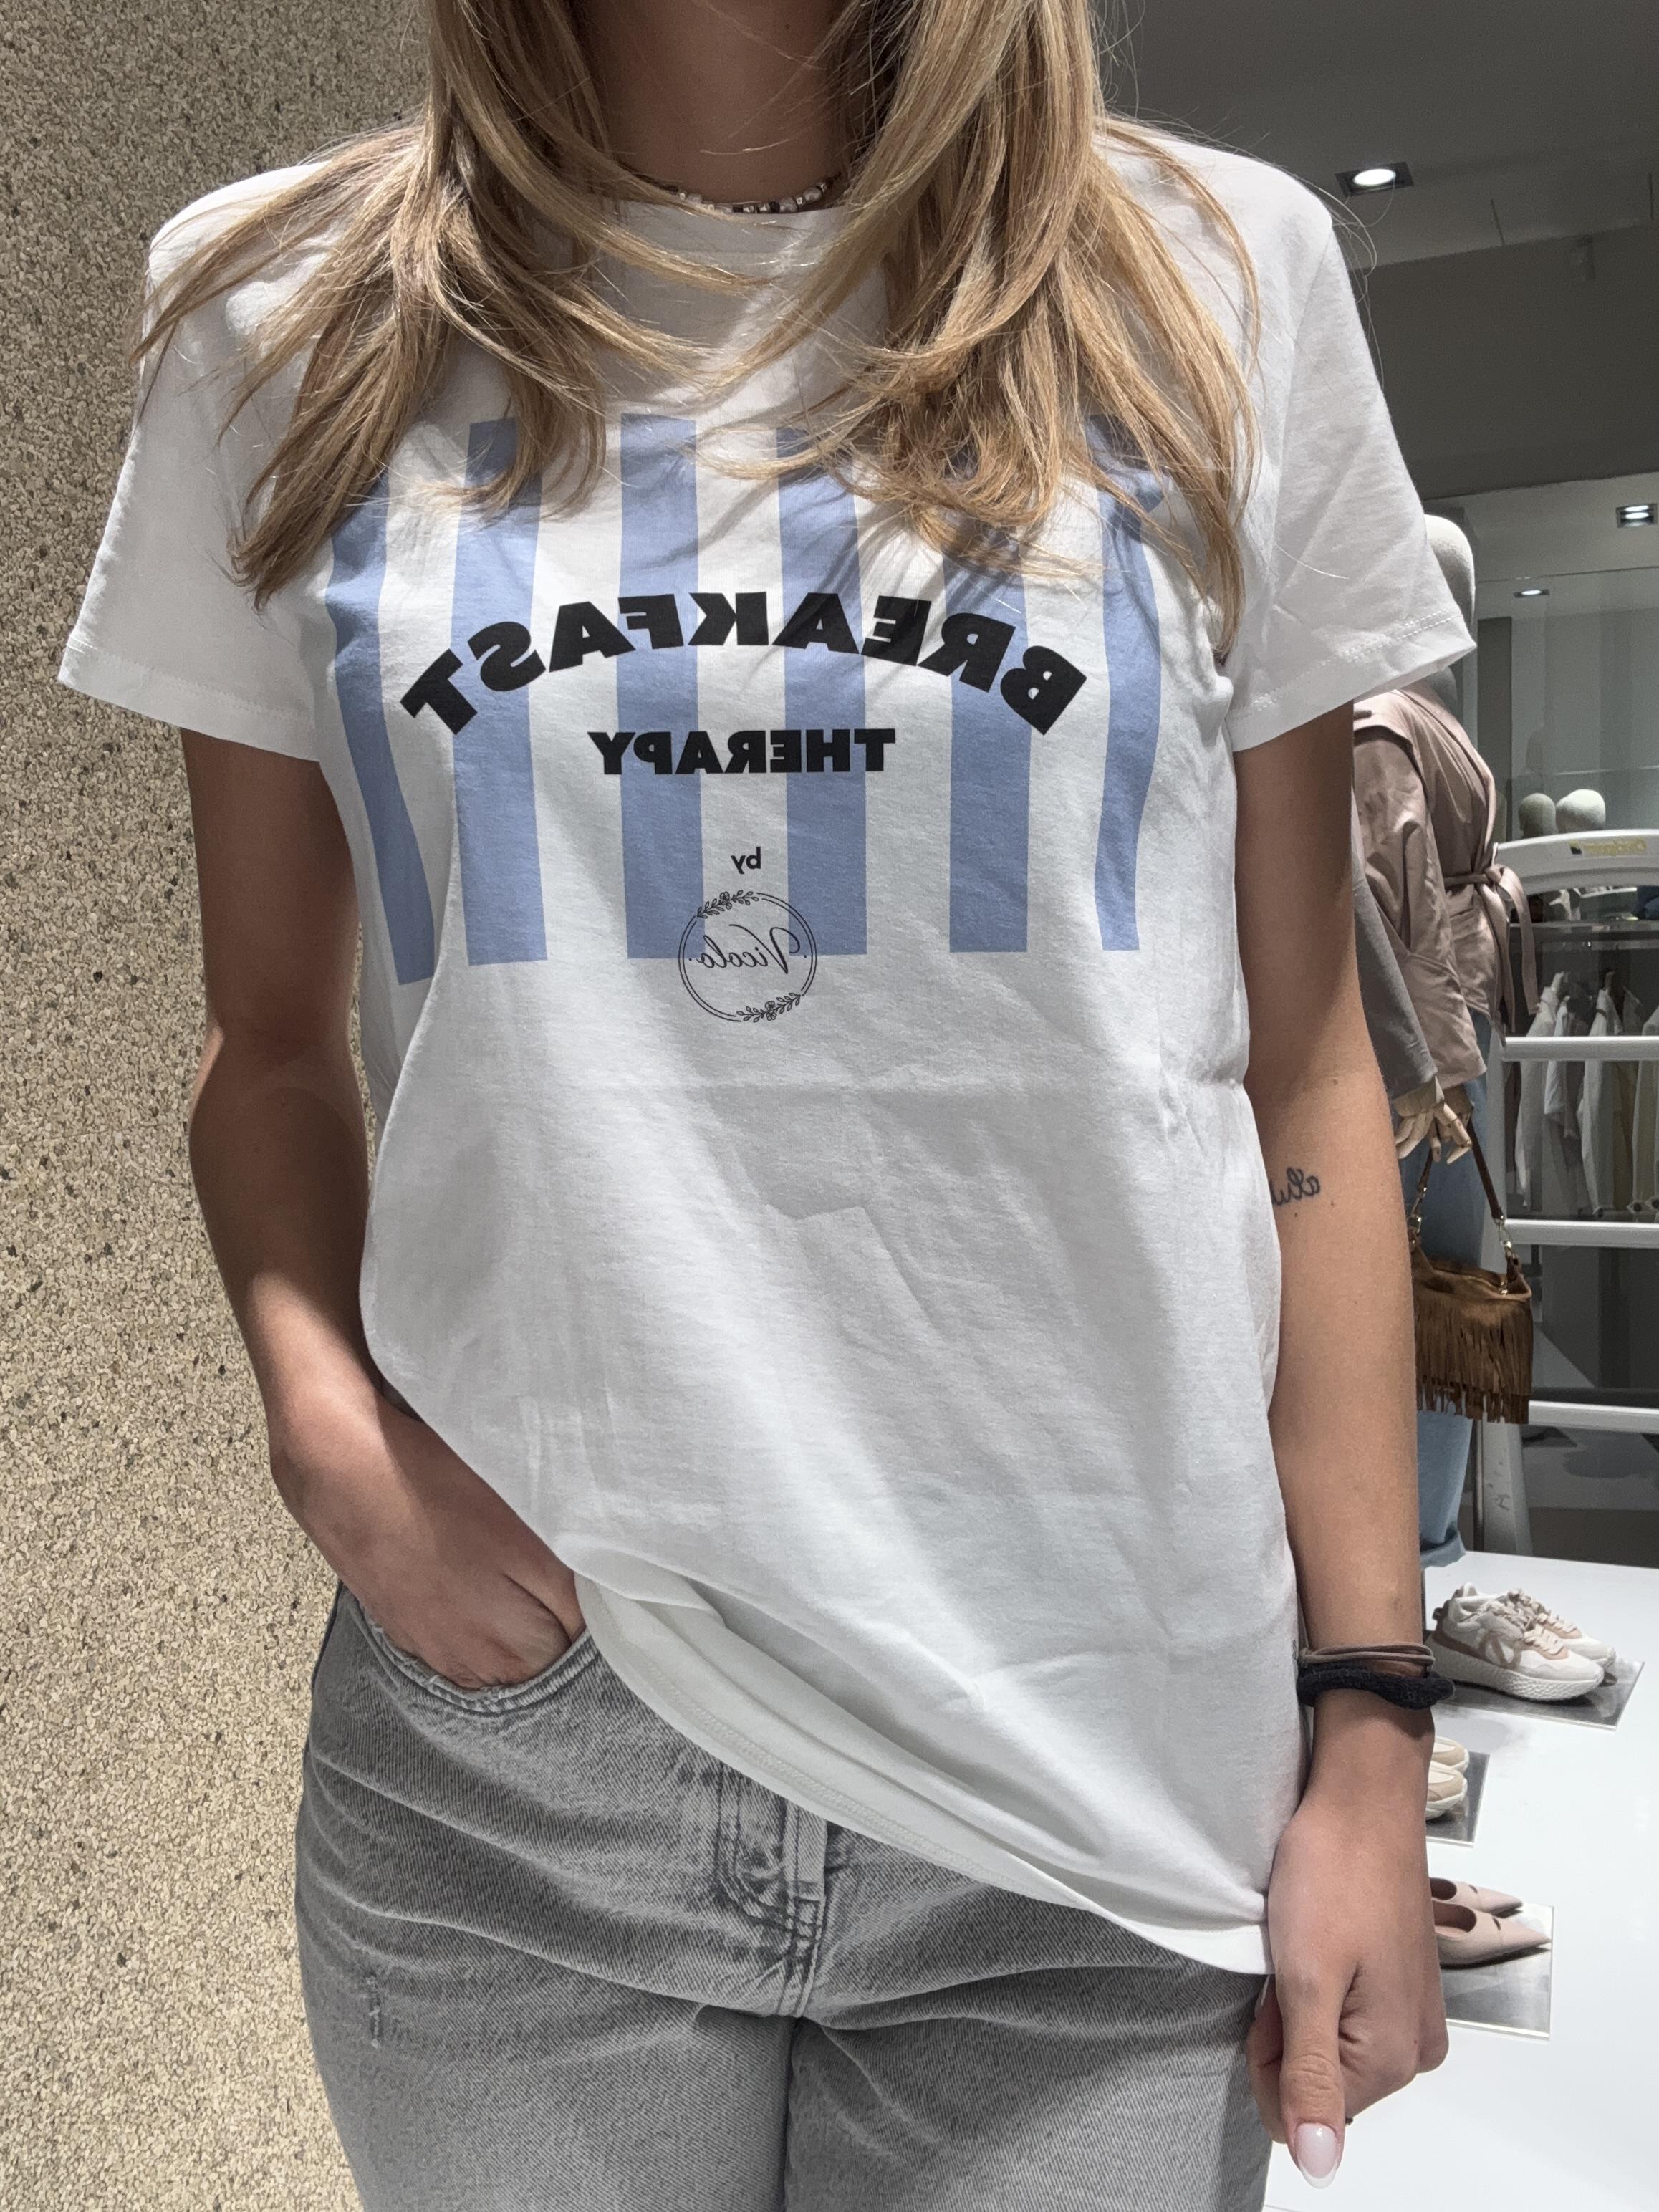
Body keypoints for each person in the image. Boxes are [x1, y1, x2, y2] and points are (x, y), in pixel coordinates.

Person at [59, 4, 1475, 2205]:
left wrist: (1368, 1719)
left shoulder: (1205, 277)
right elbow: (266, 1043)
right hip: (532, 1765)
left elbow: (1302, 1068)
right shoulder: (287, 311)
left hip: (1093, 1766)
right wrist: (328, 1436)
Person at [1353, 518, 1531, 1563]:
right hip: (1429, 1045)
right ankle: (1412, 1556)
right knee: (1431, 1293)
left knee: (1447, 1291)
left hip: (1453, 1025)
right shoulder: (1381, 721)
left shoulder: (1406, 710)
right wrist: (1436, 1073)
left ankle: (1428, 1548)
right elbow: (1398, 905)